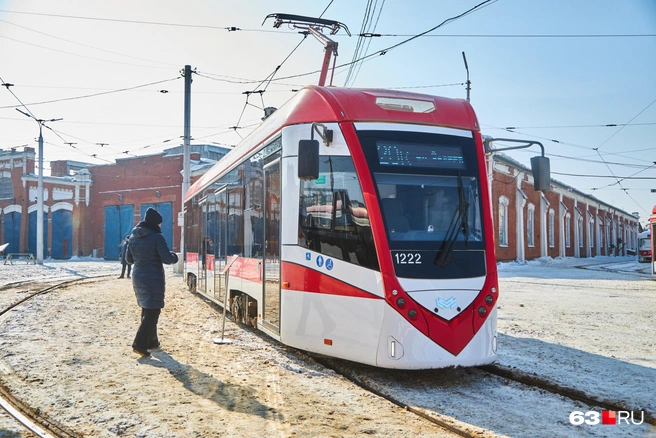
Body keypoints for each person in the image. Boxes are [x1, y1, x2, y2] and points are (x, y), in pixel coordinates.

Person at [126, 208, 178, 358]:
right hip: (152, 277)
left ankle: (152, 341)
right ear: (155, 223)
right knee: (153, 311)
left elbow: (129, 260)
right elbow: (167, 259)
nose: (160, 226)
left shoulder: (133, 237)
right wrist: (175, 257)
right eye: (160, 224)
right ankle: (139, 344)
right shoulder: (156, 237)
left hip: (138, 276)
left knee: (147, 308)